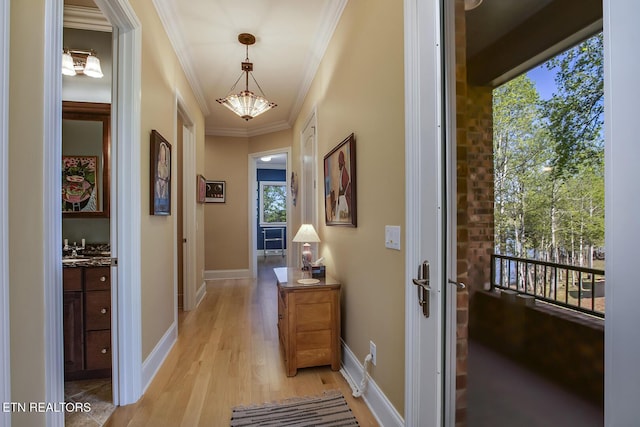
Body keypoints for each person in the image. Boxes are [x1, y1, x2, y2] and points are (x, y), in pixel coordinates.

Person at [336, 150, 351, 219]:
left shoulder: (344, 172)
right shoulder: (341, 172)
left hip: (344, 198)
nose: (338, 165)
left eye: (339, 163)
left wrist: (341, 194)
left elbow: (345, 187)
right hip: (341, 198)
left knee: (342, 216)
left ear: (341, 163)